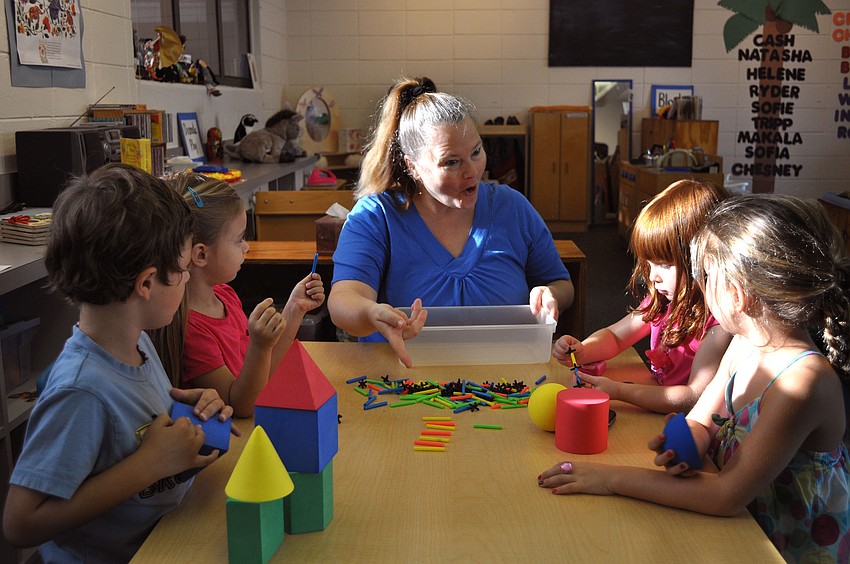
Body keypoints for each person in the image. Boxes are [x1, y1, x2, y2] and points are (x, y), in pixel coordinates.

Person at [539, 194, 850, 561]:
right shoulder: (743, 345)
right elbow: (701, 422)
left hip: (782, 547)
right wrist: (685, 443)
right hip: (734, 529)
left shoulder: (802, 383)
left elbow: (726, 495)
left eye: (706, 275)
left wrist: (609, 479)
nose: (701, 285)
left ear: (737, 294)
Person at [2, 163, 234, 562]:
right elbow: (20, 524)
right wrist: (149, 465)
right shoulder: (81, 390)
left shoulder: (137, 342)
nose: (184, 281)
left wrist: (186, 411)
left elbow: (134, 432)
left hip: (166, 538)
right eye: (181, 271)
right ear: (146, 283)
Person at [328, 76, 574, 367]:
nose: (472, 172)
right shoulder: (375, 216)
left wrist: (549, 294)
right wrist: (371, 313)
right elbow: (344, 299)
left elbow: (562, 285)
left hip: (506, 384)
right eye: (451, 162)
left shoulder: (512, 207)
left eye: (476, 152)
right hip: (404, 385)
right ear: (413, 166)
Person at [149, 173, 325, 417]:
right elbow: (241, 405)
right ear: (200, 255)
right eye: (239, 239)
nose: (246, 246)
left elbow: (263, 373)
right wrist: (260, 346)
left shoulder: (225, 295)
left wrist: (295, 309)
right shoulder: (193, 329)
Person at [552, 179, 731, 414]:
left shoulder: (718, 325)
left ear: (706, 261)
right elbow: (616, 337)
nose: (653, 277)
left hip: (689, 426)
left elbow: (693, 396)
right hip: (658, 413)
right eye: (649, 263)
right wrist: (583, 350)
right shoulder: (666, 302)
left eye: (665, 265)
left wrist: (618, 391)